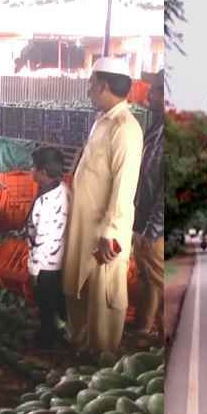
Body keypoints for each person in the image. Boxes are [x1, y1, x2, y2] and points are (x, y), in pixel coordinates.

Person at [62, 57, 144, 355]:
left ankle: (102, 354)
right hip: (85, 222)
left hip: (105, 227)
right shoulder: (103, 120)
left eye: (91, 83)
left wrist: (111, 230)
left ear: (104, 85)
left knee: (103, 293)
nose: (88, 89)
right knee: (79, 285)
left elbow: (124, 185)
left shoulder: (125, 128)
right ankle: (81, 345)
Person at [130, 69, 165, 347]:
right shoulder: (156, 126)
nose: (148, 94)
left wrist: (152, 231)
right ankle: (144, 328)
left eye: (154, 90)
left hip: (154, 227)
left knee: (158, 280)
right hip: (144, 222)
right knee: (149, 279)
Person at [26, 146, 69, 350]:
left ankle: (47, 338)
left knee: (45, 301)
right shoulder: (63, 190)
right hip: (60, 259)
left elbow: (43, 238)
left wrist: (34, 269)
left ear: (43, 172)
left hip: (46, 263)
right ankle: (60, 329)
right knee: (57, 298)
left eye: (32, 168)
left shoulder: (47, 202)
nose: (30, 171)